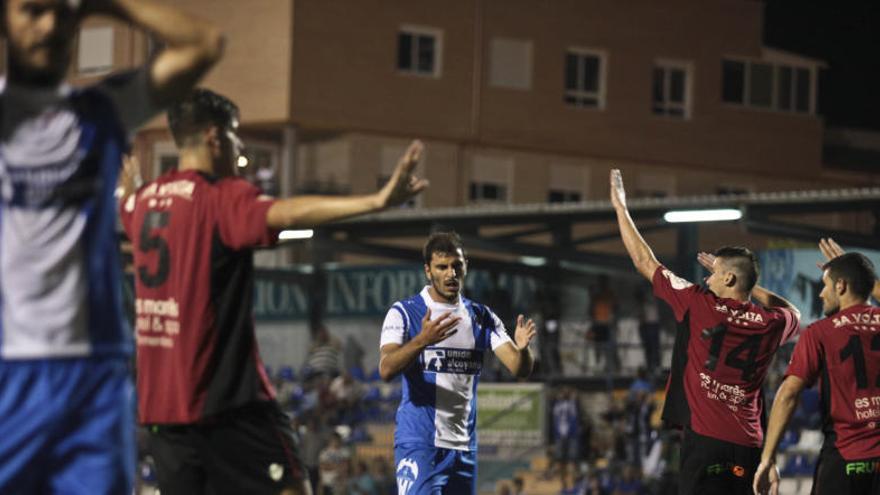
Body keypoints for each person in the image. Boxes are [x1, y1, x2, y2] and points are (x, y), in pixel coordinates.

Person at [118, 88, 427, 494]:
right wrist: (376, 200)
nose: (238, 147)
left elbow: (125, 203)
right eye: (234, 137)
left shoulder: (143, 203)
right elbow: (288, 211)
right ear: (214, 137)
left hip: (162, 411)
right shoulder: (219, 198)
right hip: (228, 405)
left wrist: (131, 188)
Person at [0, 0, 222, 493]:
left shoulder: (101, 111)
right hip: (7, 369)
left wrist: (107, 4)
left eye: (63, 14)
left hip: (93, 375)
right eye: (33, 11)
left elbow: (204, 44)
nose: (50, 26)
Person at [609, 169, 801, 495]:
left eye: (714, 274)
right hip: (749, 445)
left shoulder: (698, 304)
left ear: (727, 279)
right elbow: (793, 311)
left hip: (705, 441)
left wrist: (621, 209)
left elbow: (645, 261)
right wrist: (749, 287)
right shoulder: (771, 323)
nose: (707, 279)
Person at [378, 231, 537, 494]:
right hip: (421, 444)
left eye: (456, 266)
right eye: (442, 267)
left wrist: (523, 349)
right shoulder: (405, 312)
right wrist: (422, 340)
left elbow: (520, 368)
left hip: (464, 449)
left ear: (466, 267)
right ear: (428, 271)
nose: (451, 273)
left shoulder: (481, 316)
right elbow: (385, 369)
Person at [754, 248, 880, 495]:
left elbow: (789, 393)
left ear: (841, 286)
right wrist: (866, 280)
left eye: (825, 285)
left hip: (845, 458)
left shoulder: (819, 332)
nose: (821, 293)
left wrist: (767, 458)